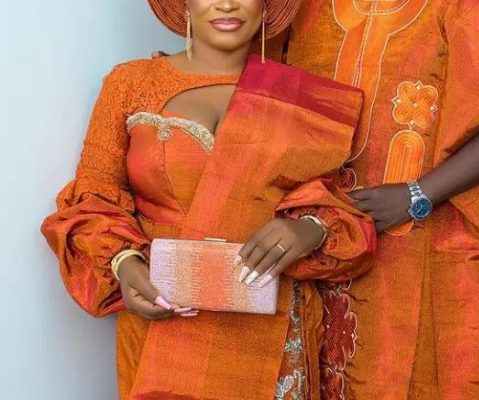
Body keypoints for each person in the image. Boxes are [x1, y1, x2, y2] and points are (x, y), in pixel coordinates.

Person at [41, 1, 377, 399]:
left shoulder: (308, 100)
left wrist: (310, 228)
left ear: (266, 6)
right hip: (162, 315)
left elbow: (341, 205)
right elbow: (92, 196)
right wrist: (124, 263)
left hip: (270, 331)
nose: (227, 3)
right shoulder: (130, 83)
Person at [261, 1, 479, 399]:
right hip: (317, 241)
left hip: (425, 245)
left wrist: (419, 194)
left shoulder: (463, 11)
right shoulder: (299, 12)